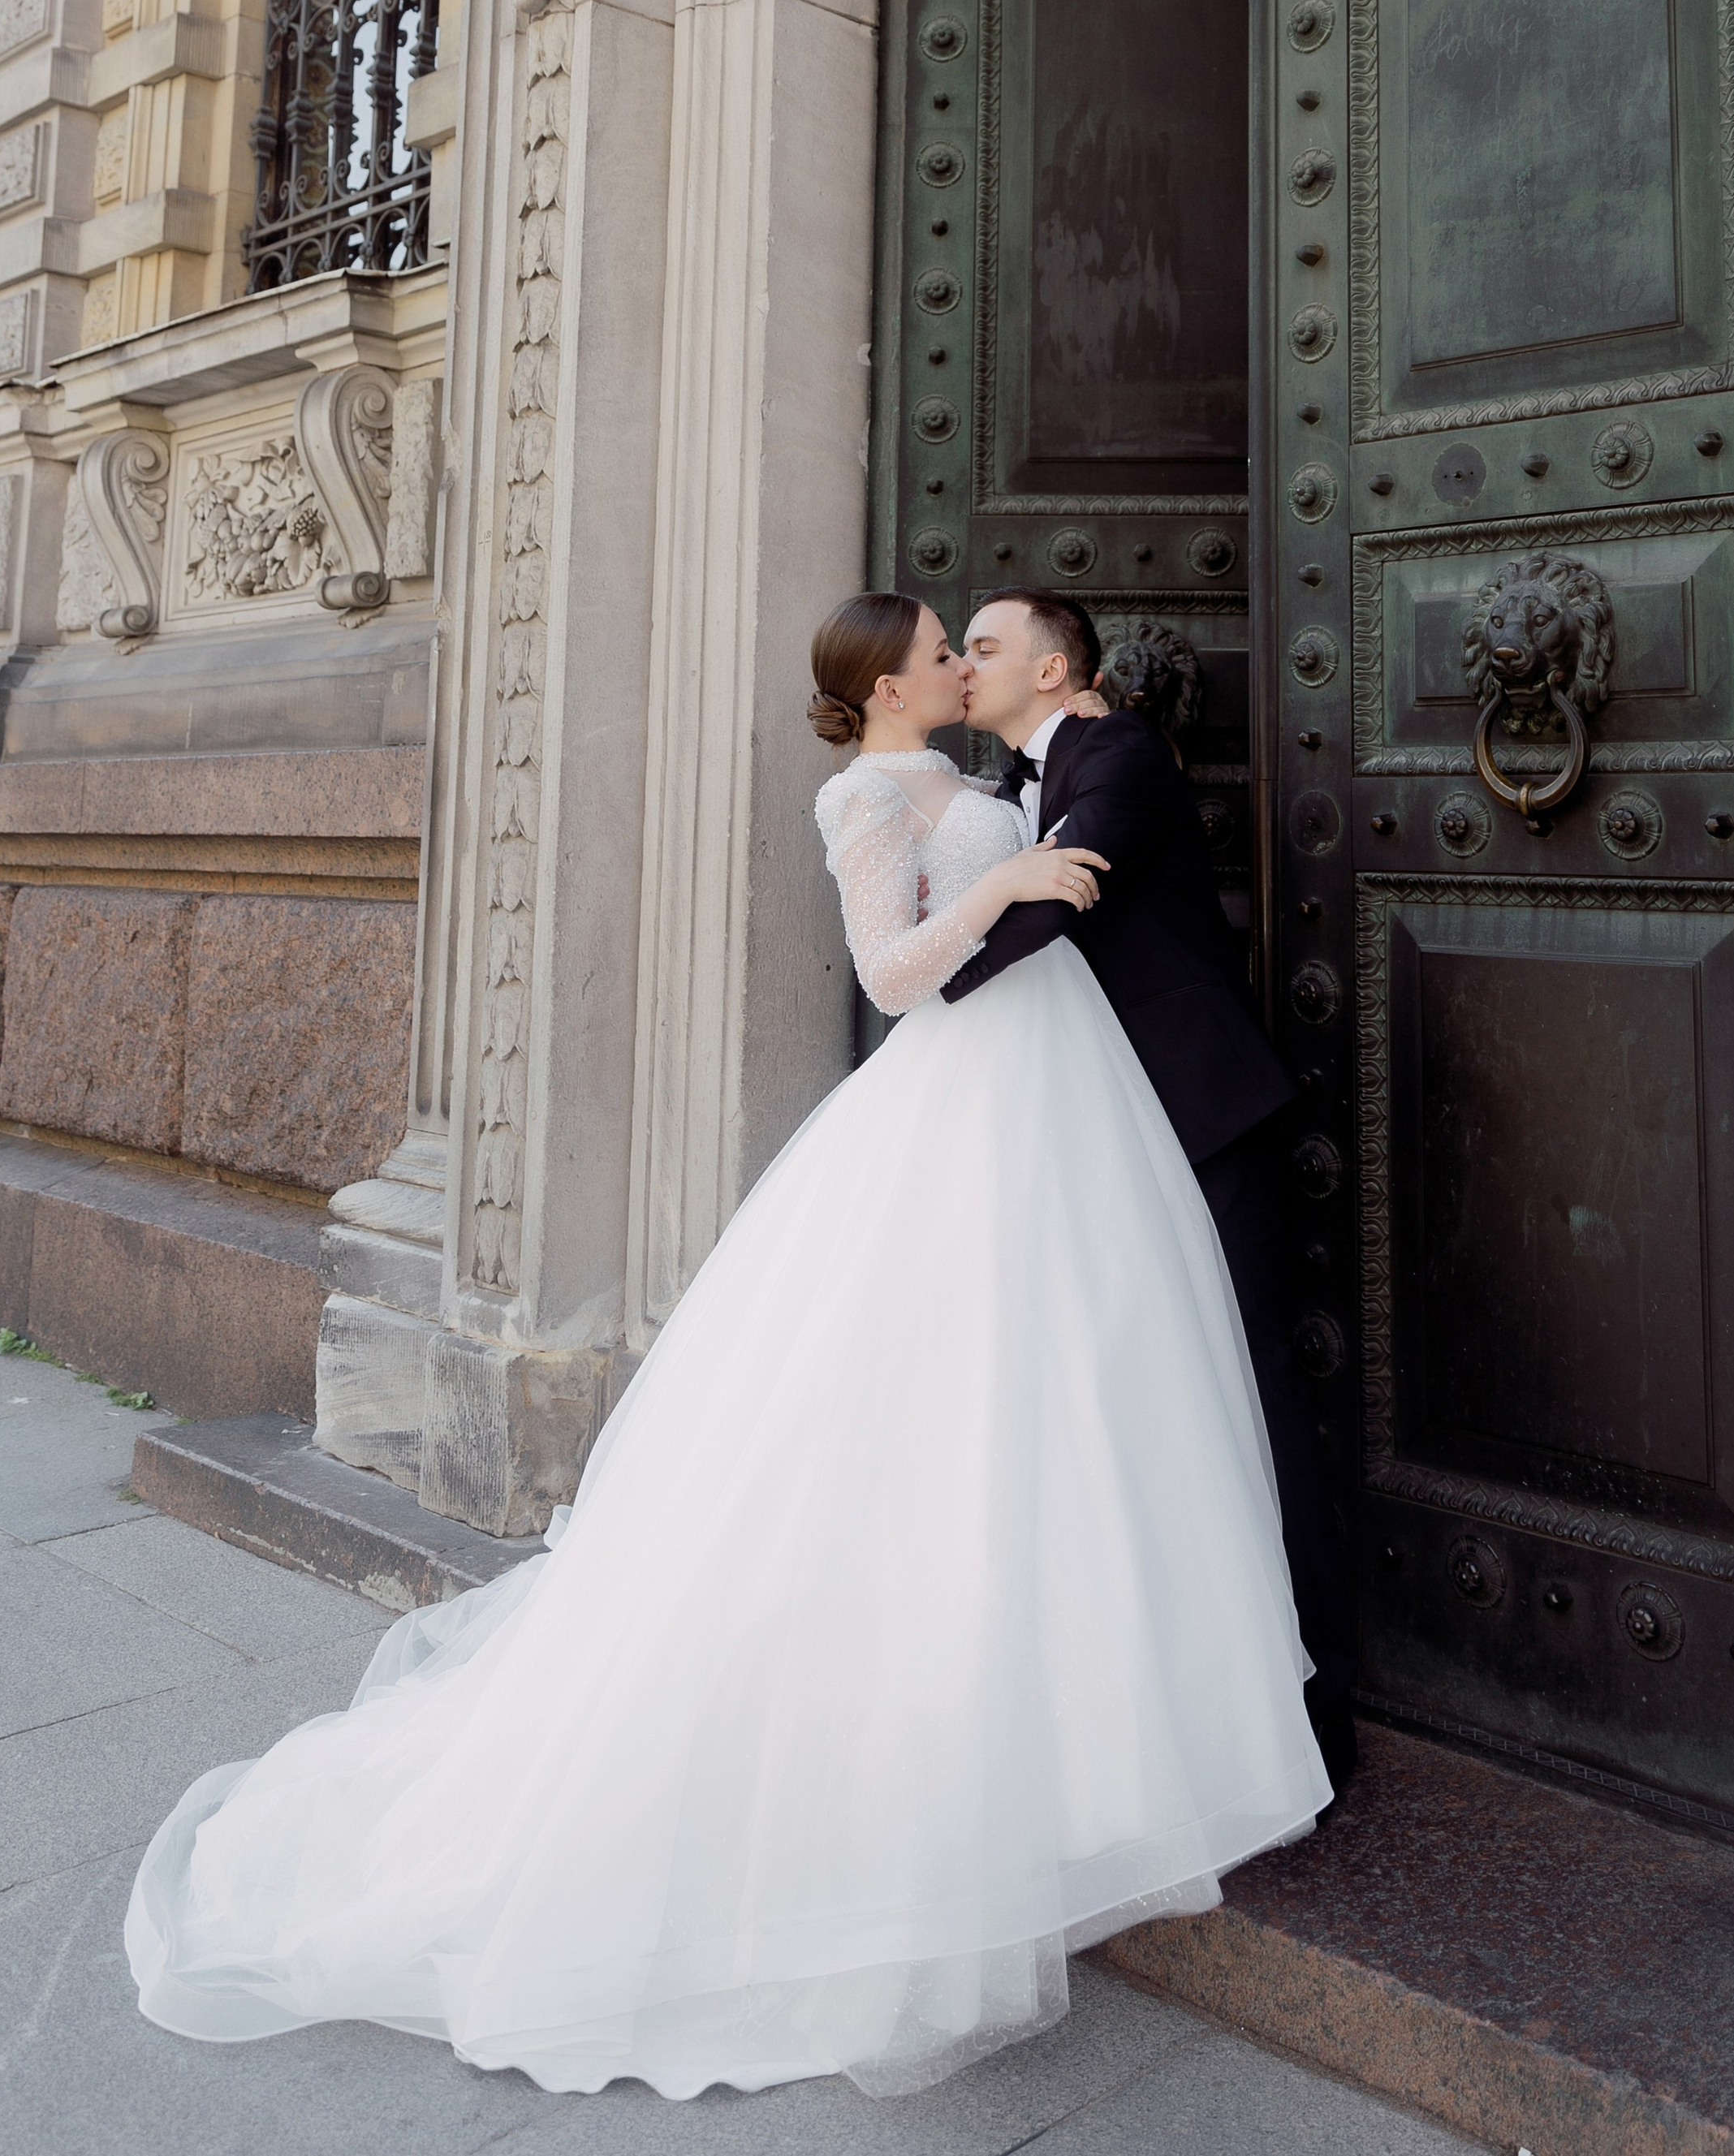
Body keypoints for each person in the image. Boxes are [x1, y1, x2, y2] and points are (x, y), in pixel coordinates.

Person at [125, 592, 1327, 2103]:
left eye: (981, 640)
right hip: (962, 1088)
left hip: (1066, 1096)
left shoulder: (999, 772)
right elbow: (893, 973)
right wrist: (998, 888)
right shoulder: (872, 792)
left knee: (1060, 1400)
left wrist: (1015, 851)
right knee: (921, 1405)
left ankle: (1090, 1728)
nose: (964, 656)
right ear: (892, 680)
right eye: (946, 643)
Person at [956, 589, 1359, 1792]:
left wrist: (917, 966)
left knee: (1256, 1388)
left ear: (1055, 666)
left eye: (983, 646)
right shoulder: (1008, 786)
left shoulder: (1117, 748)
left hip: (1203, 1118)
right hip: (1104, 1134)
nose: (963, 665)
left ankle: (1316, 1721)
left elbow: (1047, 906)